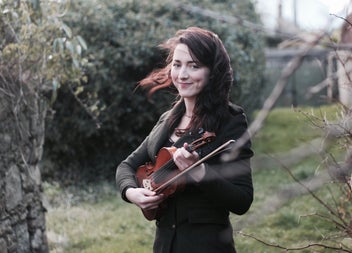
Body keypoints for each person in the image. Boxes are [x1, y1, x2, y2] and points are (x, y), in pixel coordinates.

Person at [116, 27, 253, 253]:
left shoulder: (230, 121)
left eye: (194, 66)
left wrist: (199, 173)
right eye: (177, 64)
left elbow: (242, 200)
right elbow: (127, 166)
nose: (182, 75)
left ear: (212, 72)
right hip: (164, 246)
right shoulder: (167, 119)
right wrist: (131, 193)